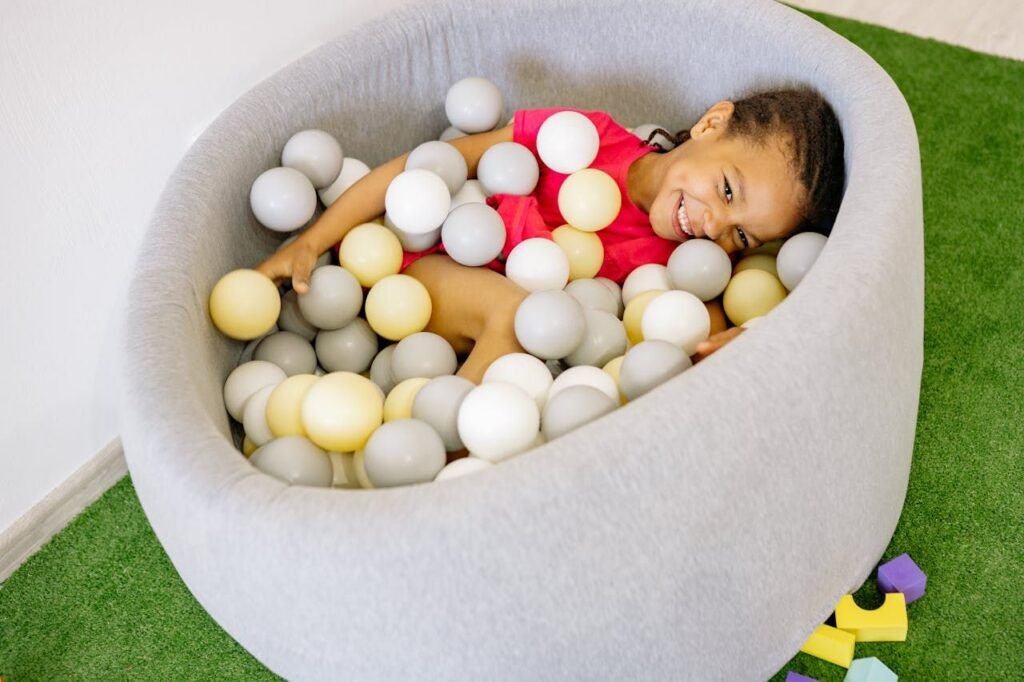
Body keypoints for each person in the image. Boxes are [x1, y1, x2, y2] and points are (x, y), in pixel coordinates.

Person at [257, 88, 845, 383]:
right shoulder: (584, 138)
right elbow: (430, 167)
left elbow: (698, 343)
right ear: (712, 123)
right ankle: (451, 483)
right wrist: (313, 240)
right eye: (725, 189)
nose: (715, 226)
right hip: (428, 274)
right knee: (521, 314)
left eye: (742, 236)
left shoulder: (685, 275)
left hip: (515, 369)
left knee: (533, 323)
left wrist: (750, 333)